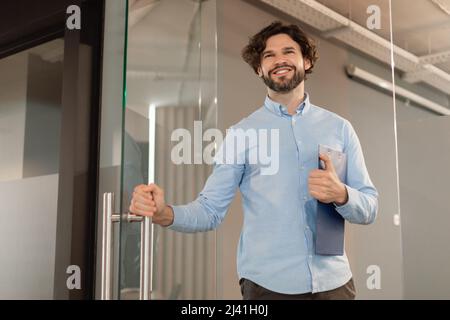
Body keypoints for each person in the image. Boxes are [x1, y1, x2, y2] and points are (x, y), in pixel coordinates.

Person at [129, 21, 378, 300]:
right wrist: (165, 213)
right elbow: (210, 210)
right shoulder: (241, 135)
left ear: (306, 61)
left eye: (288, 51)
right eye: (268, 55)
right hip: (269, 287)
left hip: (335, 284)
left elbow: (369, 206)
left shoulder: (340, 128)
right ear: (259, 68)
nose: (279, 60)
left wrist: (341, 194)